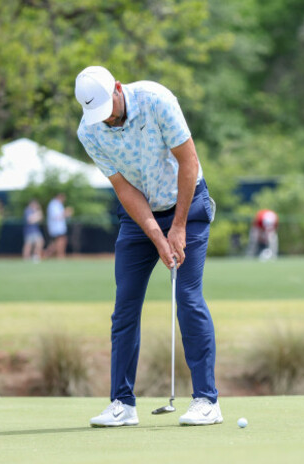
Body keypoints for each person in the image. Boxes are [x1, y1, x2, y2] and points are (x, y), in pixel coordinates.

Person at [75, 65, 221, 427]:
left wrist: (179, 226)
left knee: (187, 298)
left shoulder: (157, 100)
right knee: (124, 306)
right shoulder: (89, 130)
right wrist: (157, 234)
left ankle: (207, 400)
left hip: (188, 203)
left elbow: (189, 161)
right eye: (98, 114)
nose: (106, 119)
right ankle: (122, 404)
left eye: (108, 108)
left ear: (118, 88)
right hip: (140, 216)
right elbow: (124, 189)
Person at [45, 193, 73, 259]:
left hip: (59, 227)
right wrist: (66, 213)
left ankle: (49, 254)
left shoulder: (59, 205)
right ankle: (58, 255)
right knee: (60, 241)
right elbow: (56, 217)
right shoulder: (53, 204)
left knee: (60, 241)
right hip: (56, 227)